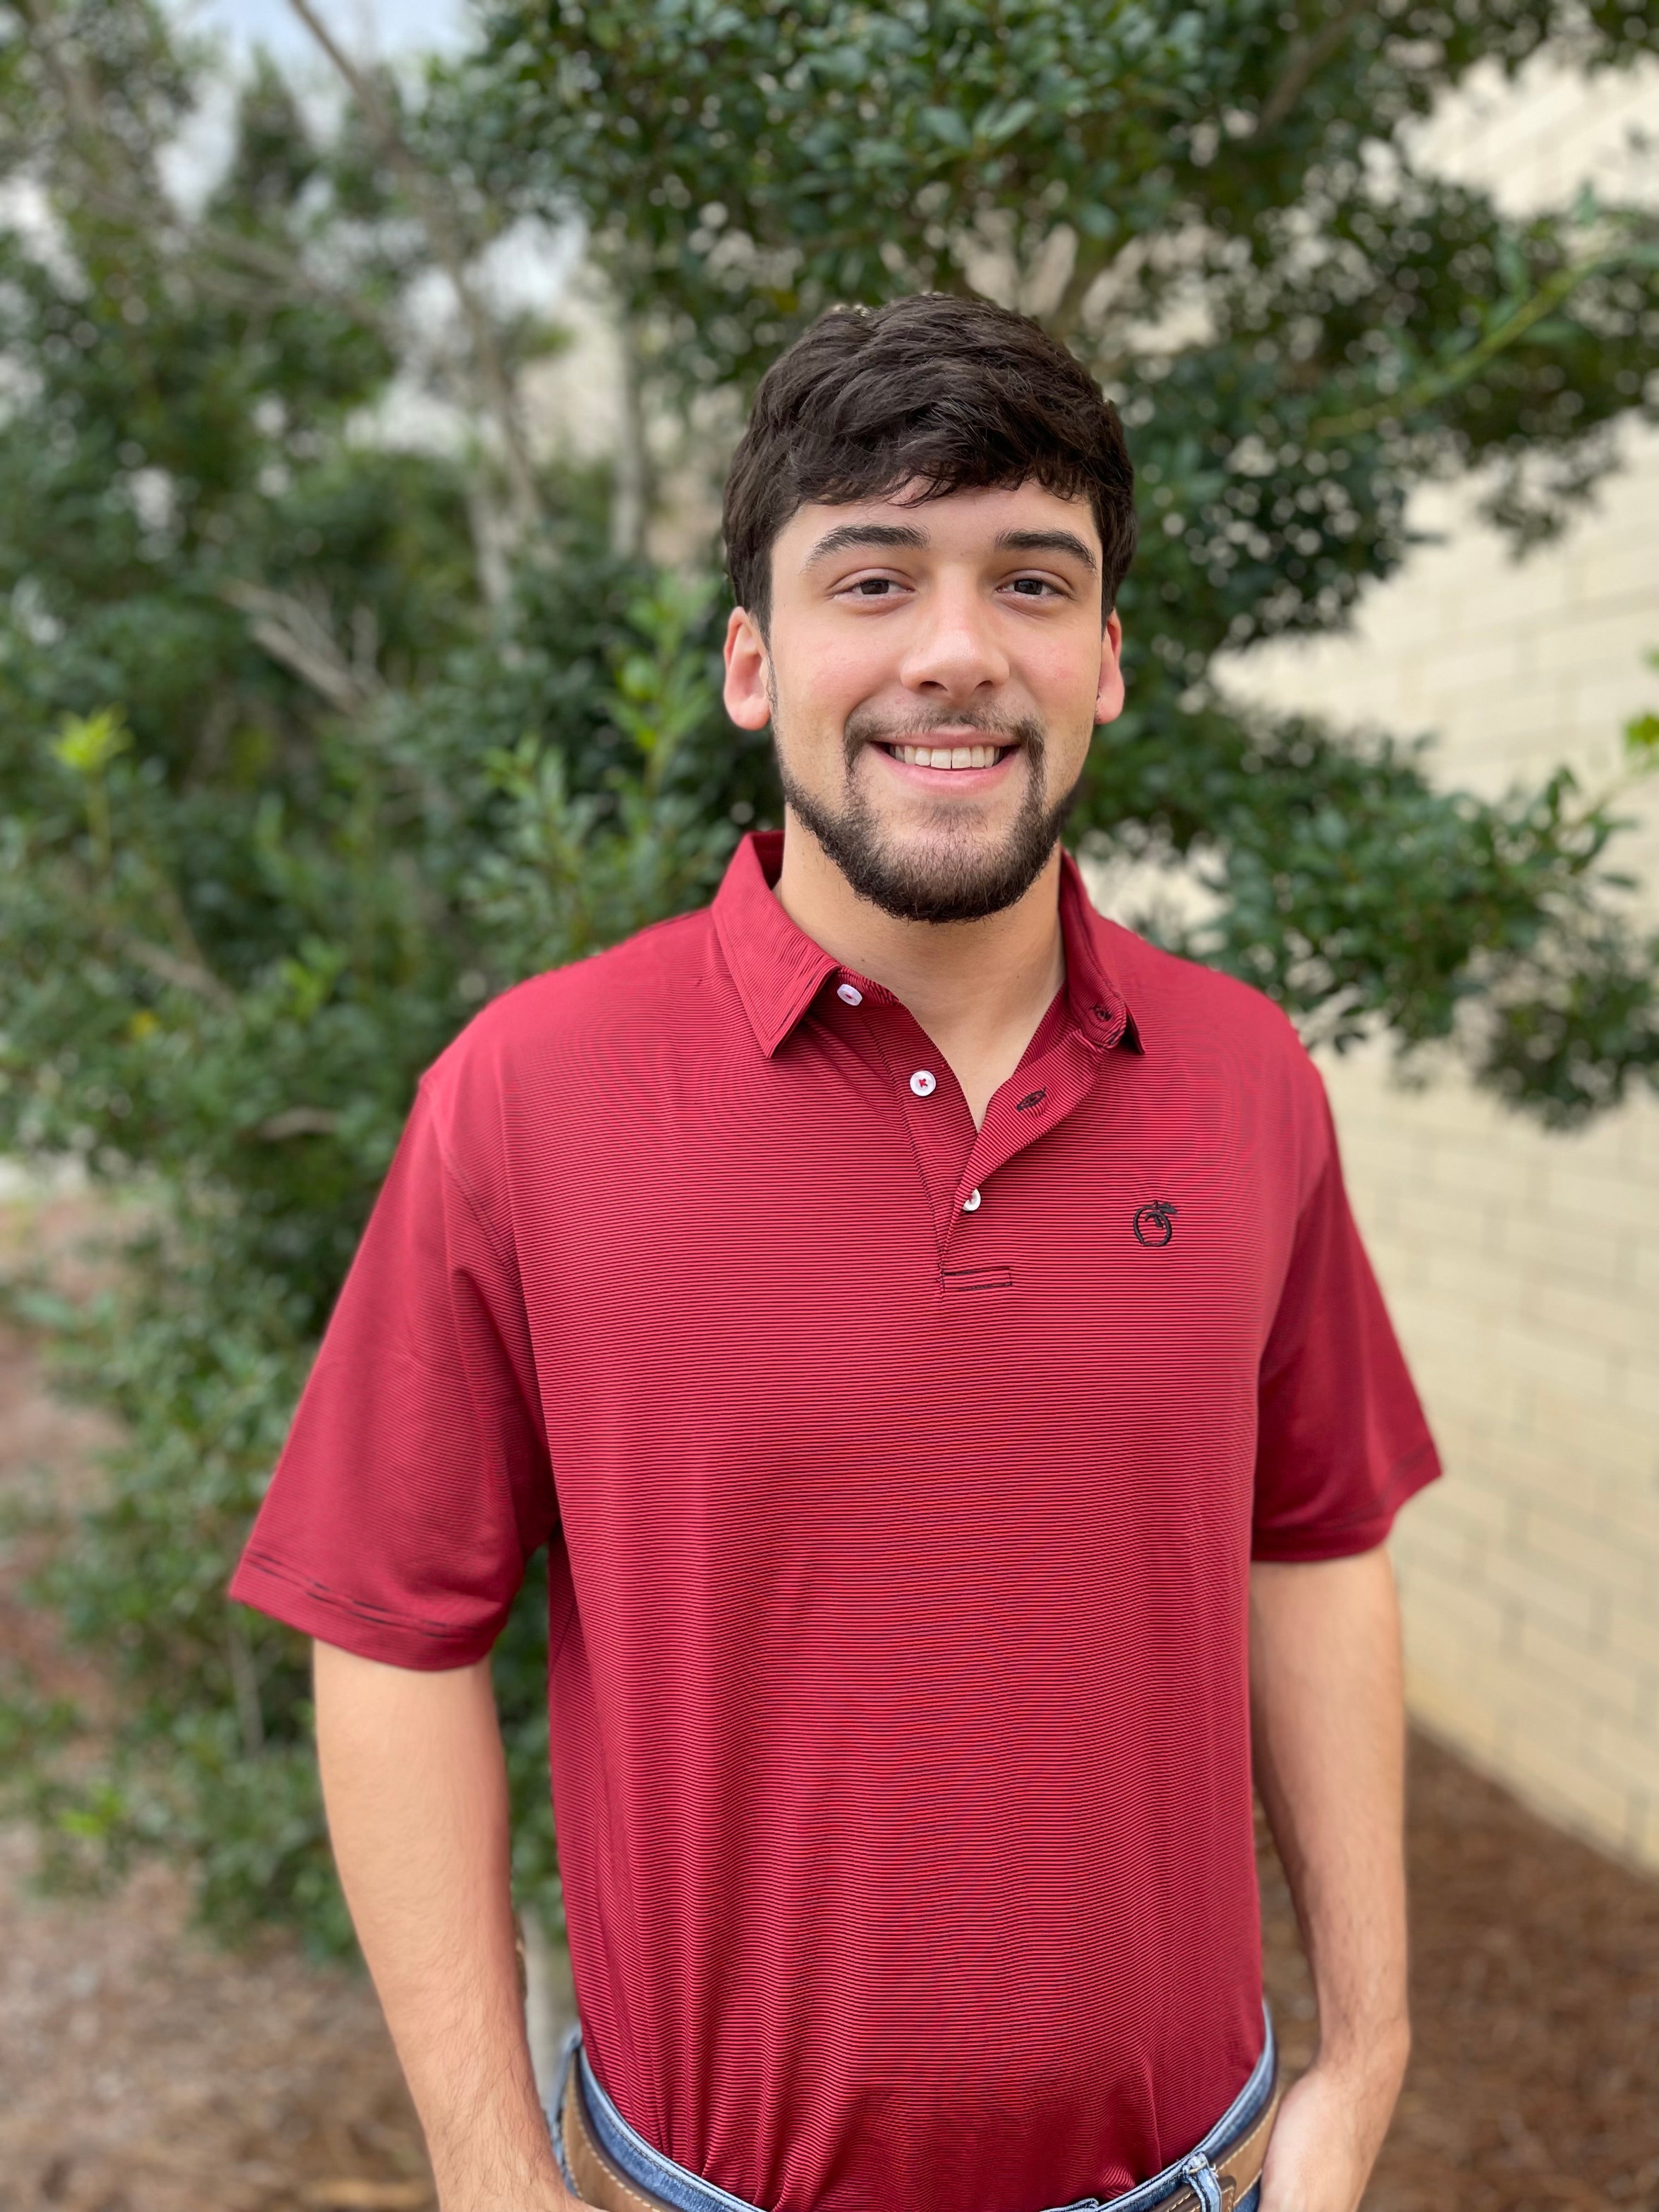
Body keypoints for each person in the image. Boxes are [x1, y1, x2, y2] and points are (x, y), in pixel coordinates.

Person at [230, 293, 1438, 2212]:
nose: (956, 653)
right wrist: (484, 2171)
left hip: (1198, 2182)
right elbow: (388, 1640)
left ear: (1107, 661)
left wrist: (1365, 2059)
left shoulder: (1246, 1080)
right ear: (749, 660)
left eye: (1030, 583)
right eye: (873, 579)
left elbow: (1318, 1542)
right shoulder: (527, 1096)